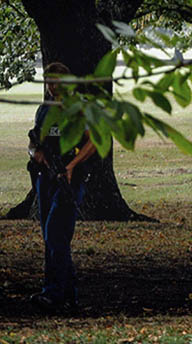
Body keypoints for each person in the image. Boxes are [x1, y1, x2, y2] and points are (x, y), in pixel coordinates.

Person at [27, 62, 97, 314]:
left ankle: (57, 294)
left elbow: (93, 143)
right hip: (45, 179)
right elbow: (34, 142)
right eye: (49, 81)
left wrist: (71, 166)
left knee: (56, 233)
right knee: (51, 237)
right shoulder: (44, 111)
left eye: (57, 81)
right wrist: (36, 154)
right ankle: (64, 295)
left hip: (70, 179)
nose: (52, 86)